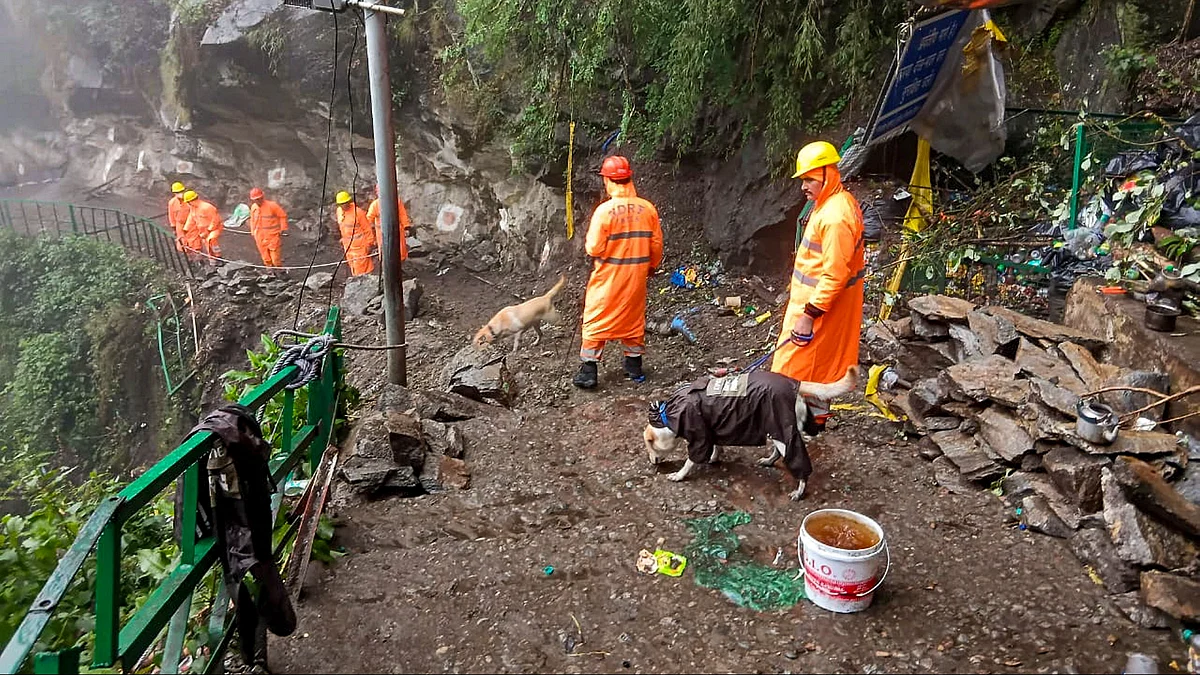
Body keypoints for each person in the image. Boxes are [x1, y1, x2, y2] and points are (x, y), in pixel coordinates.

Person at [771, 141, 865, 432]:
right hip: (816, 304)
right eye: (802, 179)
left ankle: (797, 429)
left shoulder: (835, 217)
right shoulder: (831, 205)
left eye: (809, 178)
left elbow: (835, 275)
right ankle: (811, 427)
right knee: (820, 367)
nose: (803, 186)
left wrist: (809, 314)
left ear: (829, 173)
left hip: (820, 309)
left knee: (788, 371)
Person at [573, 156, 663, 390]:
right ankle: (634, 368)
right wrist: (651, 267)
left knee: (596, 318)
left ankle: (588, 371)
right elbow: (656, 246)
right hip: (636, 278)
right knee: (633, 319)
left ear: (608, 180)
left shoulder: (604, 212)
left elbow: (593, 248)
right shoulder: (647, 208)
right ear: (629, 177)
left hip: (608, 278)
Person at [334, 191, 376, 276]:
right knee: (352, 265)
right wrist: (343, 238)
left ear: (349, 202)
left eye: (345, 203)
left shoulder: (358, 213)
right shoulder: (339, 212)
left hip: (360, 247)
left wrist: (369, 244)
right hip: (348, 247)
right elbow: (342, 226)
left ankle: (365, 285)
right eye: (341, 204)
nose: (343, 206)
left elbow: (367, 229)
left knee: (362, 268)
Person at [366, 185, 411, 261]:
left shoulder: (397, 201)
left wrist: (406, 227)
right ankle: (387, 268)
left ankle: (399, 266)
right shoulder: (375, 205)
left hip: (397, 231)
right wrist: (370, 236)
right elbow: (368, 220)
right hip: (382, 233)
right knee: (386, 252)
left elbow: (403, 215)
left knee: (400, 250)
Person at [248, 187, 288, 268]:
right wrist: (253, 231)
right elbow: (252, 220)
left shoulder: (272, 205)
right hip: (259, 237)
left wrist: (283, 228)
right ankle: (269, 270)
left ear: (263, 197)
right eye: (256, 199)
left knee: (275, 258)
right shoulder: (253, 207)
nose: (258, 201)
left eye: (259, 198)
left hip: (272, 236)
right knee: (265, 257)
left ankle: (279, 271)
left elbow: (282, 216)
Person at [182, 190, 222, 263]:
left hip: (214, 228)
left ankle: (218, 257)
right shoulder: (193, 208)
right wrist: (186, 228)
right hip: (203, 230)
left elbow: (215, 220)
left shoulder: (207, 207)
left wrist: (209, 230)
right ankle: (213, 261)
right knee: (207, 245)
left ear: (190, 201)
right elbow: (191, 218)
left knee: (211, 240)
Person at [168, 182, 188, 252]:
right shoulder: (172, 202)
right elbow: (171, 216)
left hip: (190, 224)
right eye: (177, 192)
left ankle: (197, 257)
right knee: (182, 242)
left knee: (194, 242)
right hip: (180, 224)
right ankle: (188, 256)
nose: (180, 193)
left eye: (181, 191)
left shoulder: (188, 200)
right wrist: (173, 227)